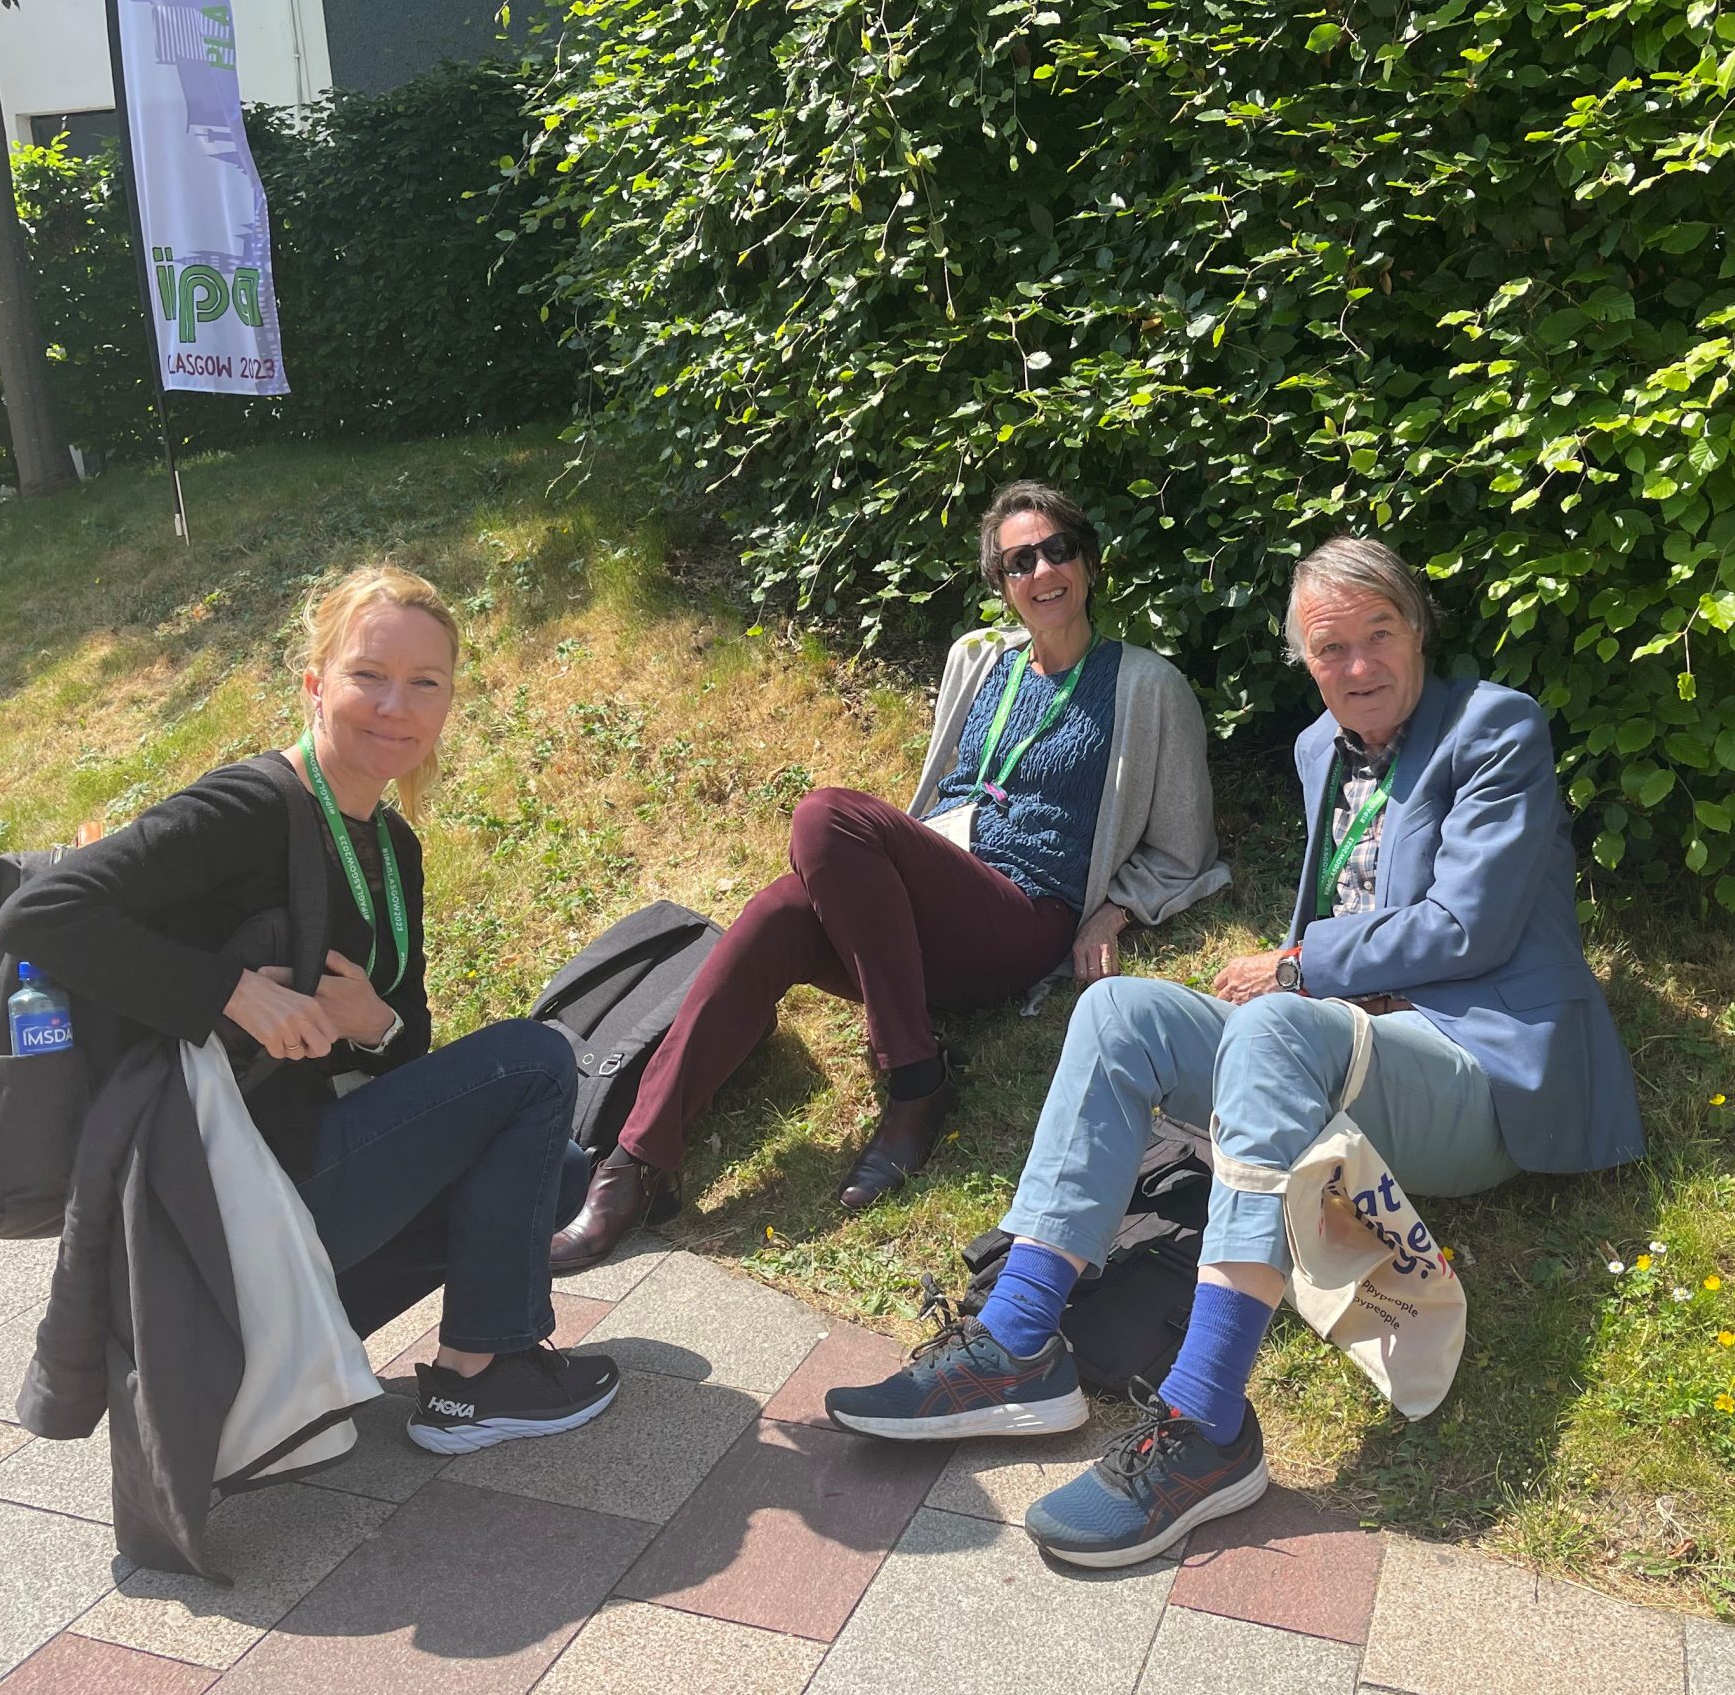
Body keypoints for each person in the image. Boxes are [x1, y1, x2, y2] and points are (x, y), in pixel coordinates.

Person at [825, 533, 1646, 1566]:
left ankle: (1206, 1421)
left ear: (1416, 628)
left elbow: (1465, 928)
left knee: (1271, 1017)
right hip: (1346, 1052)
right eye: (1328, 650)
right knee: (1117, 1010)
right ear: (1304, 664)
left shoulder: (1493, 730)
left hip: (1474, 1067)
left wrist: (1298, 964)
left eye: (1375, 637)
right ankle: (1017, 1341)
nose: (1355, 668)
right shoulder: (1317, 749)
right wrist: (1302, 982)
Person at [0, 564, 619, 1455]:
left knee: (553, 1173)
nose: (394, 706)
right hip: (231, 1186)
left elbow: (406, 1056)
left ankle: (301, 1343)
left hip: (298, 1164)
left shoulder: (391, 843)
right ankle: (481, 1377)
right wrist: (231, 992)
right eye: (368, 675)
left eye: (424, 684)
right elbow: (42, 915)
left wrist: (381, 1024)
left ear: (449, 703)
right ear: (315, 682)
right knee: (533, 1061)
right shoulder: (248, 807)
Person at [553, 481, 1229, 1270]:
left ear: (1087, 560)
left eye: (1057, 550)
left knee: (825, 816)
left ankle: (914, 1080)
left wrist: (1114, 912)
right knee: (778, 913)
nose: (1042, 571)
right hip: (929, 904)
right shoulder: (980, 663)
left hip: (1019, 913)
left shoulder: (1146, 685)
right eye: (1019, 561)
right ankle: (638, 1162)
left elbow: (1186, 845)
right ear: (1001, 585)